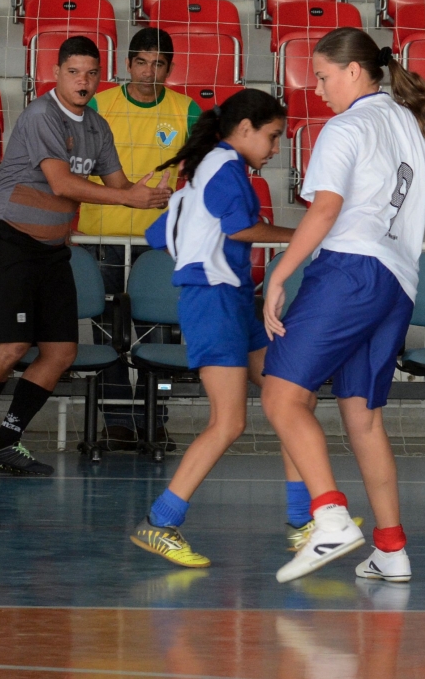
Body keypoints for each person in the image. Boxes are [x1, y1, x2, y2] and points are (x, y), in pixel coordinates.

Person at [262, 28, 425, 584]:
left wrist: (280, 274)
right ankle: (391, 549)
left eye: (322, 76)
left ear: (353, 72)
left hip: (348, 271)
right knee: (362, 418)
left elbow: (324, 212)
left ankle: (328, 516)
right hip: (397, 282)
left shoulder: (345, 126)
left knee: (280, 394)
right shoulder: (412, 122)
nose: (318, 88)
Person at [0, 36, 172, 477]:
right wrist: (130, 200)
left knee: (62, 351)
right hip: (9, 237)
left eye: (90, 73)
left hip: (50, 247)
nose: (83, 81)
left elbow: (120, 184)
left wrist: (151, 195)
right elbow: (63, 184)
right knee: (12, 344)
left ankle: (5, 442)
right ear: (56, 73)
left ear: (100, 76)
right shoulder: (41, 115)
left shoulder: (97, 126)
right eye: (74, 72)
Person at [129, 89, 302, 567]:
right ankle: (160, 523)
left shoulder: (199, 178)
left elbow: (156, 235)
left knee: (289, 398)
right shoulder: (224, 168)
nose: (274, 148)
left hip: (227, 301)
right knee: (229, 421)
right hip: (214, 303)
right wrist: (306, 236)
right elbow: (240, 230)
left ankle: (304, 520)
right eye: (271, 137)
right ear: (244, 130)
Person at [78, 27, 202, 450]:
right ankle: (115, 420)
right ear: (128, 65)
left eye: (159, 64)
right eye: (142, 62)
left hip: (158, 243)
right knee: (108, 332)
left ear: (169, 68)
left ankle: (156, 417)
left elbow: (202, 172)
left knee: (160, 331)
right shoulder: (99, 104)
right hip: (101, 234)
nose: (150, 71)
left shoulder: (187, 110)